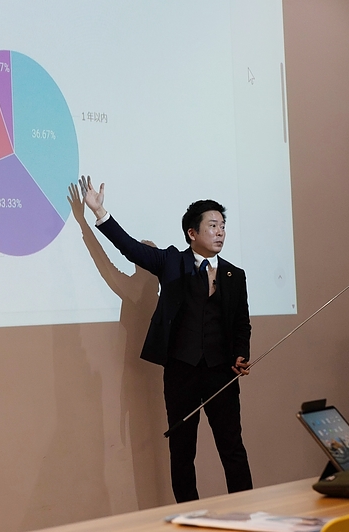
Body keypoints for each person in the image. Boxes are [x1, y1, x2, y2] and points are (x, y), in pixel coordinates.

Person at [78, 174, 253, 503]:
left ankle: (246, 509)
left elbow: (242, 324)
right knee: (182, 451)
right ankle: (189, 515)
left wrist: (241, 353)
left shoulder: (235, 275)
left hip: (221, 373)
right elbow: (129, 248)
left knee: (232, 448)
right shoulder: (172, 261)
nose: (220, 232)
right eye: (212, 226)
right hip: (181, 372)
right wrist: (99, 213)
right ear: (192, 233)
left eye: (222, 226)